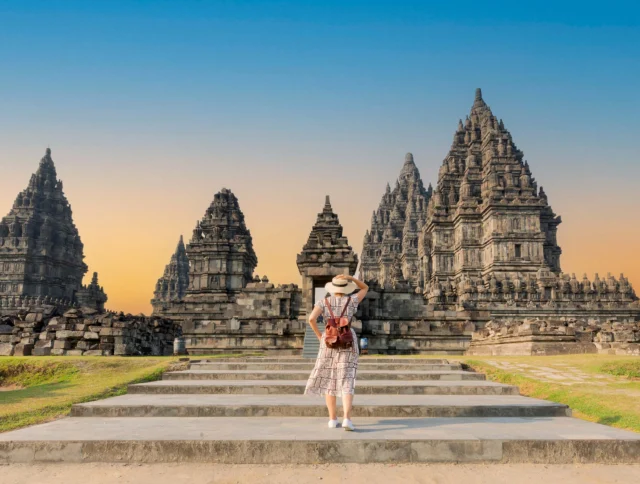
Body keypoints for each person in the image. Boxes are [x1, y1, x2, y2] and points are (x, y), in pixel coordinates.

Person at [304, 274, 369, 431]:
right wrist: (351, 278)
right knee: (347, 379)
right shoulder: (352, 300)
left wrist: (320, 336)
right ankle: (347, 418)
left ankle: (333, 419)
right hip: (348, 341)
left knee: (329, 379)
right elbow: (365, 287)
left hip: (329, 340)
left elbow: (311, 319)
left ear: (332, 289)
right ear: (346, 288)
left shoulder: (324, 302)